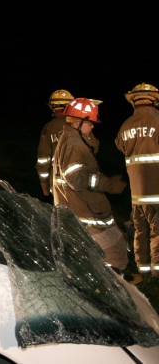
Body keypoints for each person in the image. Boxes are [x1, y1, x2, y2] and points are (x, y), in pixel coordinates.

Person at [52, 97, 129, 273]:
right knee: (113, 255)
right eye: (91, 123)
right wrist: (108, 184)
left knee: (112, 250)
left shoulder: (73, 140)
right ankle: (113, 290)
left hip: (86, 210)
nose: (93, 127)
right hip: (87, 214)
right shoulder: (74, 145)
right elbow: (77, 179)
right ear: (79, 123)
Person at [115, 83, 159, 277]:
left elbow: (120, 146)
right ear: (154, 100)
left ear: (134, 101)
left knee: (140, 230)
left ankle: (143, 268)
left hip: (137, 192)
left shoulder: (125, 125)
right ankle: (157, 273)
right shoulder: (158, 120)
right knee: (157, 232)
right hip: (157, 189)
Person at [36, 89, 74, 199]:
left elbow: (43, 159)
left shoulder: (49, 128)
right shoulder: (79, 124)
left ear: (52, 106)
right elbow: (94, 148)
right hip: (81, 181)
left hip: (58, 184)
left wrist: (44, 184)